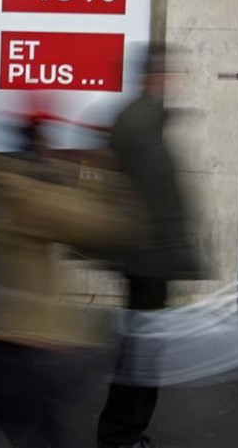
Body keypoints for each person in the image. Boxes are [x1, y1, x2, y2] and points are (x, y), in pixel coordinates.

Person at [0, 117, 142, 448]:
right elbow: (104, 225)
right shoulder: (22, 192)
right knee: (40, 433)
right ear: (34, 149)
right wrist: (101, 172)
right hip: (16, 340)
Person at [96, 44, 202, 448]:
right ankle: (122, 435)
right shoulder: (142, 124)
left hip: (140, 255)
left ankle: (122, 431)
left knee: (139, 347)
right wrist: (181, 256)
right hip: (149, 258)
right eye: (168, 74)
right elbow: (161, 200)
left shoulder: (136, 118)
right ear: (156, 76)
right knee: (142, 352)